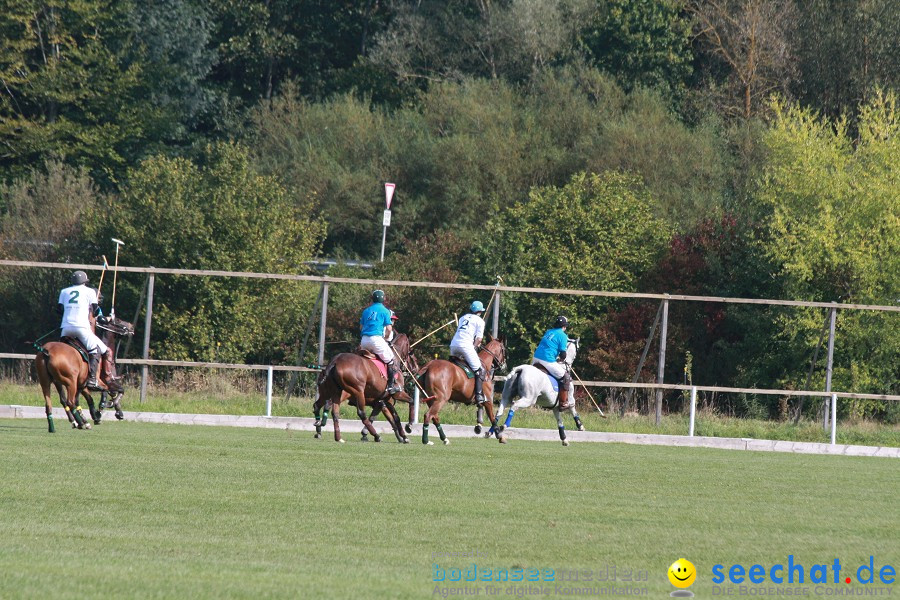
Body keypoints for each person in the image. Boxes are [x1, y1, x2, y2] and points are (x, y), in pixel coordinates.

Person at [57, 270, 109, 391]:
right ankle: (92, 379)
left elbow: (59, 310)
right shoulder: (90, 291)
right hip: (82, 328)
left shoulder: (64, 291)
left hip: (65, 329)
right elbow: (95, 311)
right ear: (85, 282)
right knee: (95, 349)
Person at [360, 290, 401, 395]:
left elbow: (361, 327)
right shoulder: (385, 311)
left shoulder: (366, 311)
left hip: (364, 340)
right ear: (384, 299)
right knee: (391, 360)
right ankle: (390, 387)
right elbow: (389, 329)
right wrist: (386, 339)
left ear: (372, 298)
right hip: (376, 340)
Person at [532, 315, 573, 410]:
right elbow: (563, 354)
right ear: (564, 326)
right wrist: (562, 358)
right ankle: (563, 402)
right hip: (547, 360)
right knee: (565, 377)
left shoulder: (549, 331)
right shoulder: (563, 336)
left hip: (536, 358)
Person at [450, 300, 487, 404]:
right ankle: (479, 395)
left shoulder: (463, 317)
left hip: (453, 345)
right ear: (480, 311)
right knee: (479, 370)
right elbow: (479, 339)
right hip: (466, 346)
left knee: (456, 365)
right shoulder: (480, 321)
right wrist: (475, 346)